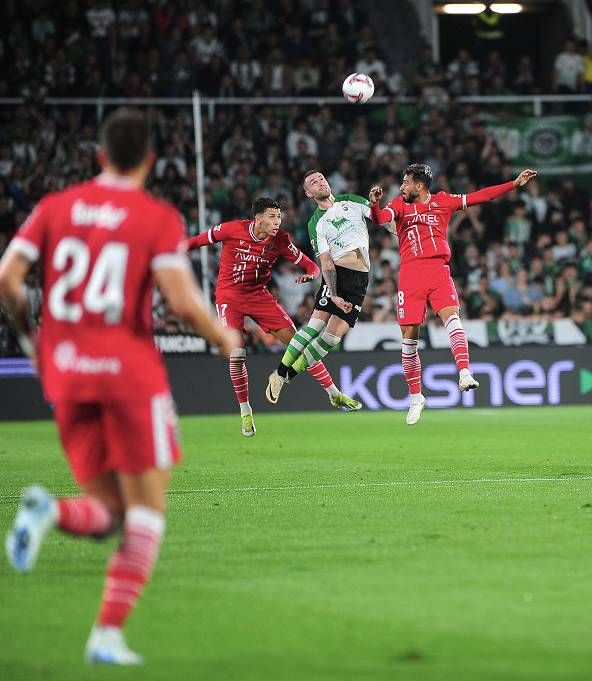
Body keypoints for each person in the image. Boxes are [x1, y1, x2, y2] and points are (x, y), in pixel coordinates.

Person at [0, 108, 240, 665]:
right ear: (150, 161)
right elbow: (181, 301)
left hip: (66, 373)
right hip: (128, 376)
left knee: (107, 513)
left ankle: (49, 512)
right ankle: (106, 634)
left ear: (100, 156)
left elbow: (8, 278)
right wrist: (223, 338)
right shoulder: (155, 217)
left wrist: (32, 340)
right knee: (146, 515)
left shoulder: (53, 208)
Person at [368, 163, 537, 425]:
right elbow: (379, 219)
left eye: (406, 182)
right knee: (409, 340)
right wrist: (374, 205)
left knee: (453, 319)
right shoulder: (399, 205)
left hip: (437, 270)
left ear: (420, 185)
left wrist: (513, 185)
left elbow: (481, 196)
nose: (401, 187)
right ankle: (416, 397)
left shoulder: (444, 201)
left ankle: (465, 372)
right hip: (410, 275)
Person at [183, 198, 353, 435]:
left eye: (279, 217)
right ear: (258, 218)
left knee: (298, 343)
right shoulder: (231, 229)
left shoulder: (281, 239)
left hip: (259, 297)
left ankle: (333, 393)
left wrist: (312, 275)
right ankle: (245, 412)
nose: (277, 222)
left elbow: (310, 265)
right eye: (272, 217)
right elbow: (195, 242)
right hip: (229, 297)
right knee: (237, 354)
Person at [266, 170, 379, 406]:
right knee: (314, 327)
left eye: (321, 179)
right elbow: (325, 262)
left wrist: (381, 210)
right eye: (313, 183)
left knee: (330, 340)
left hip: (361, 279)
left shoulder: (353, 200)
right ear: (308, 193)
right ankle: (278, 373)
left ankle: (288, 376)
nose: (320, 182)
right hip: (339, 274)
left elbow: (380, 219)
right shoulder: (316, 222)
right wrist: (334, 294)